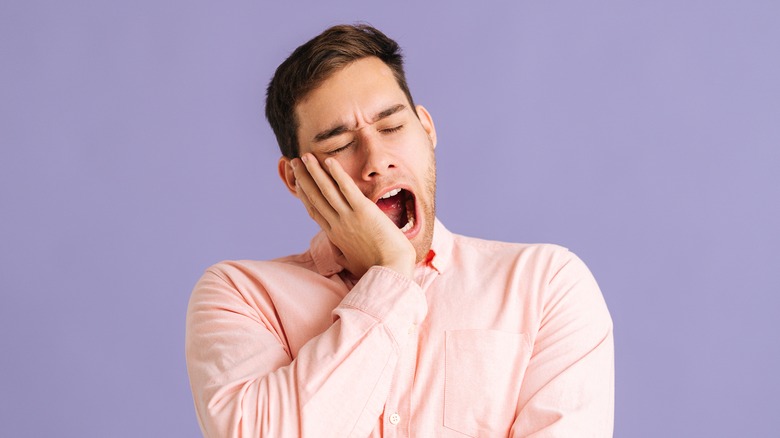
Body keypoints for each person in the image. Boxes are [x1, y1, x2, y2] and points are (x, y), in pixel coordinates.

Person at [185, 24, 614, 437]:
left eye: (392, 127)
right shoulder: (241, 297)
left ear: (426, 129)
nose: (376, 159)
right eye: (338, 145)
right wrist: (390, 271)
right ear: (295, 179)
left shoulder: (546, 285)